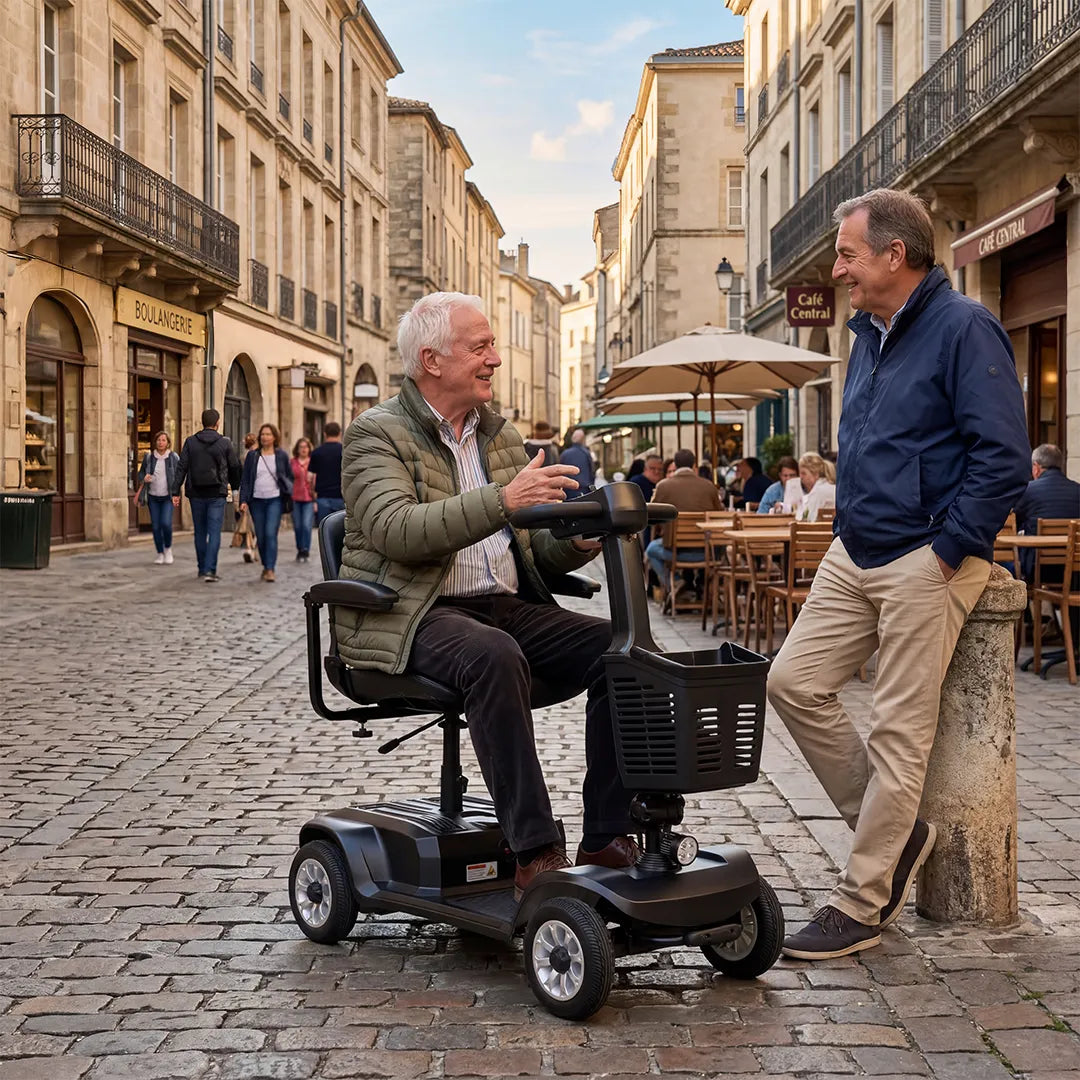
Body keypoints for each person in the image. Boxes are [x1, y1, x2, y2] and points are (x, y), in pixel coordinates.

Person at [768, 188, 1029, 960]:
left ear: (894, 254)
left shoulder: (964, 327)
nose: (840, 268)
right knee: (791, 682)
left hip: (928, 557)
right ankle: (898, 829)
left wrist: (950, 548)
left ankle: (864, 897)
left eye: (849, 254)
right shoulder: (868, 334)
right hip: (857, 549)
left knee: (898, 731)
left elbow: (1003, 457)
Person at [337, 291, 640, 895]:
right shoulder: (375, 434)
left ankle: (606, 834)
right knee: (492, 654)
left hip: (499, 604)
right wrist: (503, 501)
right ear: (431, 360)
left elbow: (530, 551)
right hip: (412, 610)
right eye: (480, 347)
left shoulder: (499, 437)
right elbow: (396, 531)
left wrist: (579, 542)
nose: (496, 360)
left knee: (621, 649)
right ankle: (534, 850)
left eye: (493, 346)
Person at [171, 408, 242, 582]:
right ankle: (210, 570)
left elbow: (182, 467)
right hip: (216, 493)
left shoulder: (190, 442)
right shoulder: (225, 443)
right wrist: (235, 488)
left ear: (201, 422)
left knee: (200, 532)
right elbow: (234, 466)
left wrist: (175, 491)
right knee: (214, 532)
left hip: (195, 493)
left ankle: (202, 568)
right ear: (217, 423)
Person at [644, 449, 721, 593]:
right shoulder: (709, 486)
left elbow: (650, 515)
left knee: (651, 550)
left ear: (676, 463)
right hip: (706, 552)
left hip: (674, 551)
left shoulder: (663, 486)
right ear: (693, 464)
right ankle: (702, 584)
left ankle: (676, 583)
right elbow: (719, 515)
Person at [1013, 444, 1080, 583]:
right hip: (1074, 570)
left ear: (1036, 468)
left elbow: (1015, 522)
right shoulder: (1077, 490)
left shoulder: (1028, 490)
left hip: (1039, 569)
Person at [239, 423, 293, 583]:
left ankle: (270, 568)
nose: (265, 437)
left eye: (268, 434)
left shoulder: (281, 455)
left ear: (275, 437)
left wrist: (286, 487)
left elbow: (289, 477)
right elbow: (246, 479)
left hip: (274, 500)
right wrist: (243, 500)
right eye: (262, 434)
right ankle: (265, 564)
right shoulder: (252, 456)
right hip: (256, 501)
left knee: (270, 534)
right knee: (261, 536)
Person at [132, 431, 179, 564]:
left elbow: (179, 476)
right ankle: (160, 553)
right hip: (153, 497)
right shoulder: (149, 457)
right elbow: (140, 475)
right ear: (155, 442)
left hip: (167, 497)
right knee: (156, 526)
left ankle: (168, 549)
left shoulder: (174, 457)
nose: (161, 442)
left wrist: (177, 494)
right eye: (158, 440)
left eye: (163, 440)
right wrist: (144, 478)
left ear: (168, 442)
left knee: (166, 524)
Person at [782, 452, 837, 521]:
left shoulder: (818, 491)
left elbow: (809, 519)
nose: (801, 477)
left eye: (804, 473)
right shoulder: (831, 487)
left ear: (816, 474)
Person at [309, 422, 344, 525]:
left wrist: (313, 496)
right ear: (340, 434)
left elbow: (310, 477)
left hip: (322, 497)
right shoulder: (344, 451)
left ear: (324, 434)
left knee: (325, 530)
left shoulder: (317, 452)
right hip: (340, 497)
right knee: (340, 530)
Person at [291, 437, 316, 563]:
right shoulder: (292, 462)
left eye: (305, 447)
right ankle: (300, 548)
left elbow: (316, 481)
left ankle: (305, 549)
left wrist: (316, 500)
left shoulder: (312, 462)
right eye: (301, 447)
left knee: (306, 525)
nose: (303, 449)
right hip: (295, 497)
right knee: (298, 526)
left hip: (309, 498)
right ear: (297, 449)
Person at [559, 428, 596, 495]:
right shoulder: (586, 453)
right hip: (584, 489)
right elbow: (592, 471)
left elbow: (560, 471)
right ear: (583, 439)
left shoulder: (565, 454)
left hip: (568, 490)